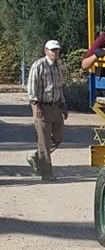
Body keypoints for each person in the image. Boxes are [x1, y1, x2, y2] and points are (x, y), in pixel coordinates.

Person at [26, 40, 68, 181]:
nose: (55, 53)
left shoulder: (58, 66)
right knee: (43, 141)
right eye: (52, 50)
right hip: (41, 106)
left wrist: (63, 104)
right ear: (46, 51)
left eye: (57, 50)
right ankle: (46, 173)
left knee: (58, 137)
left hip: (55, 105)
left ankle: (37, 157)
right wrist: (36, 105)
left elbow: (59, 87)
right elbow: (32, 88)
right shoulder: (38, 65)